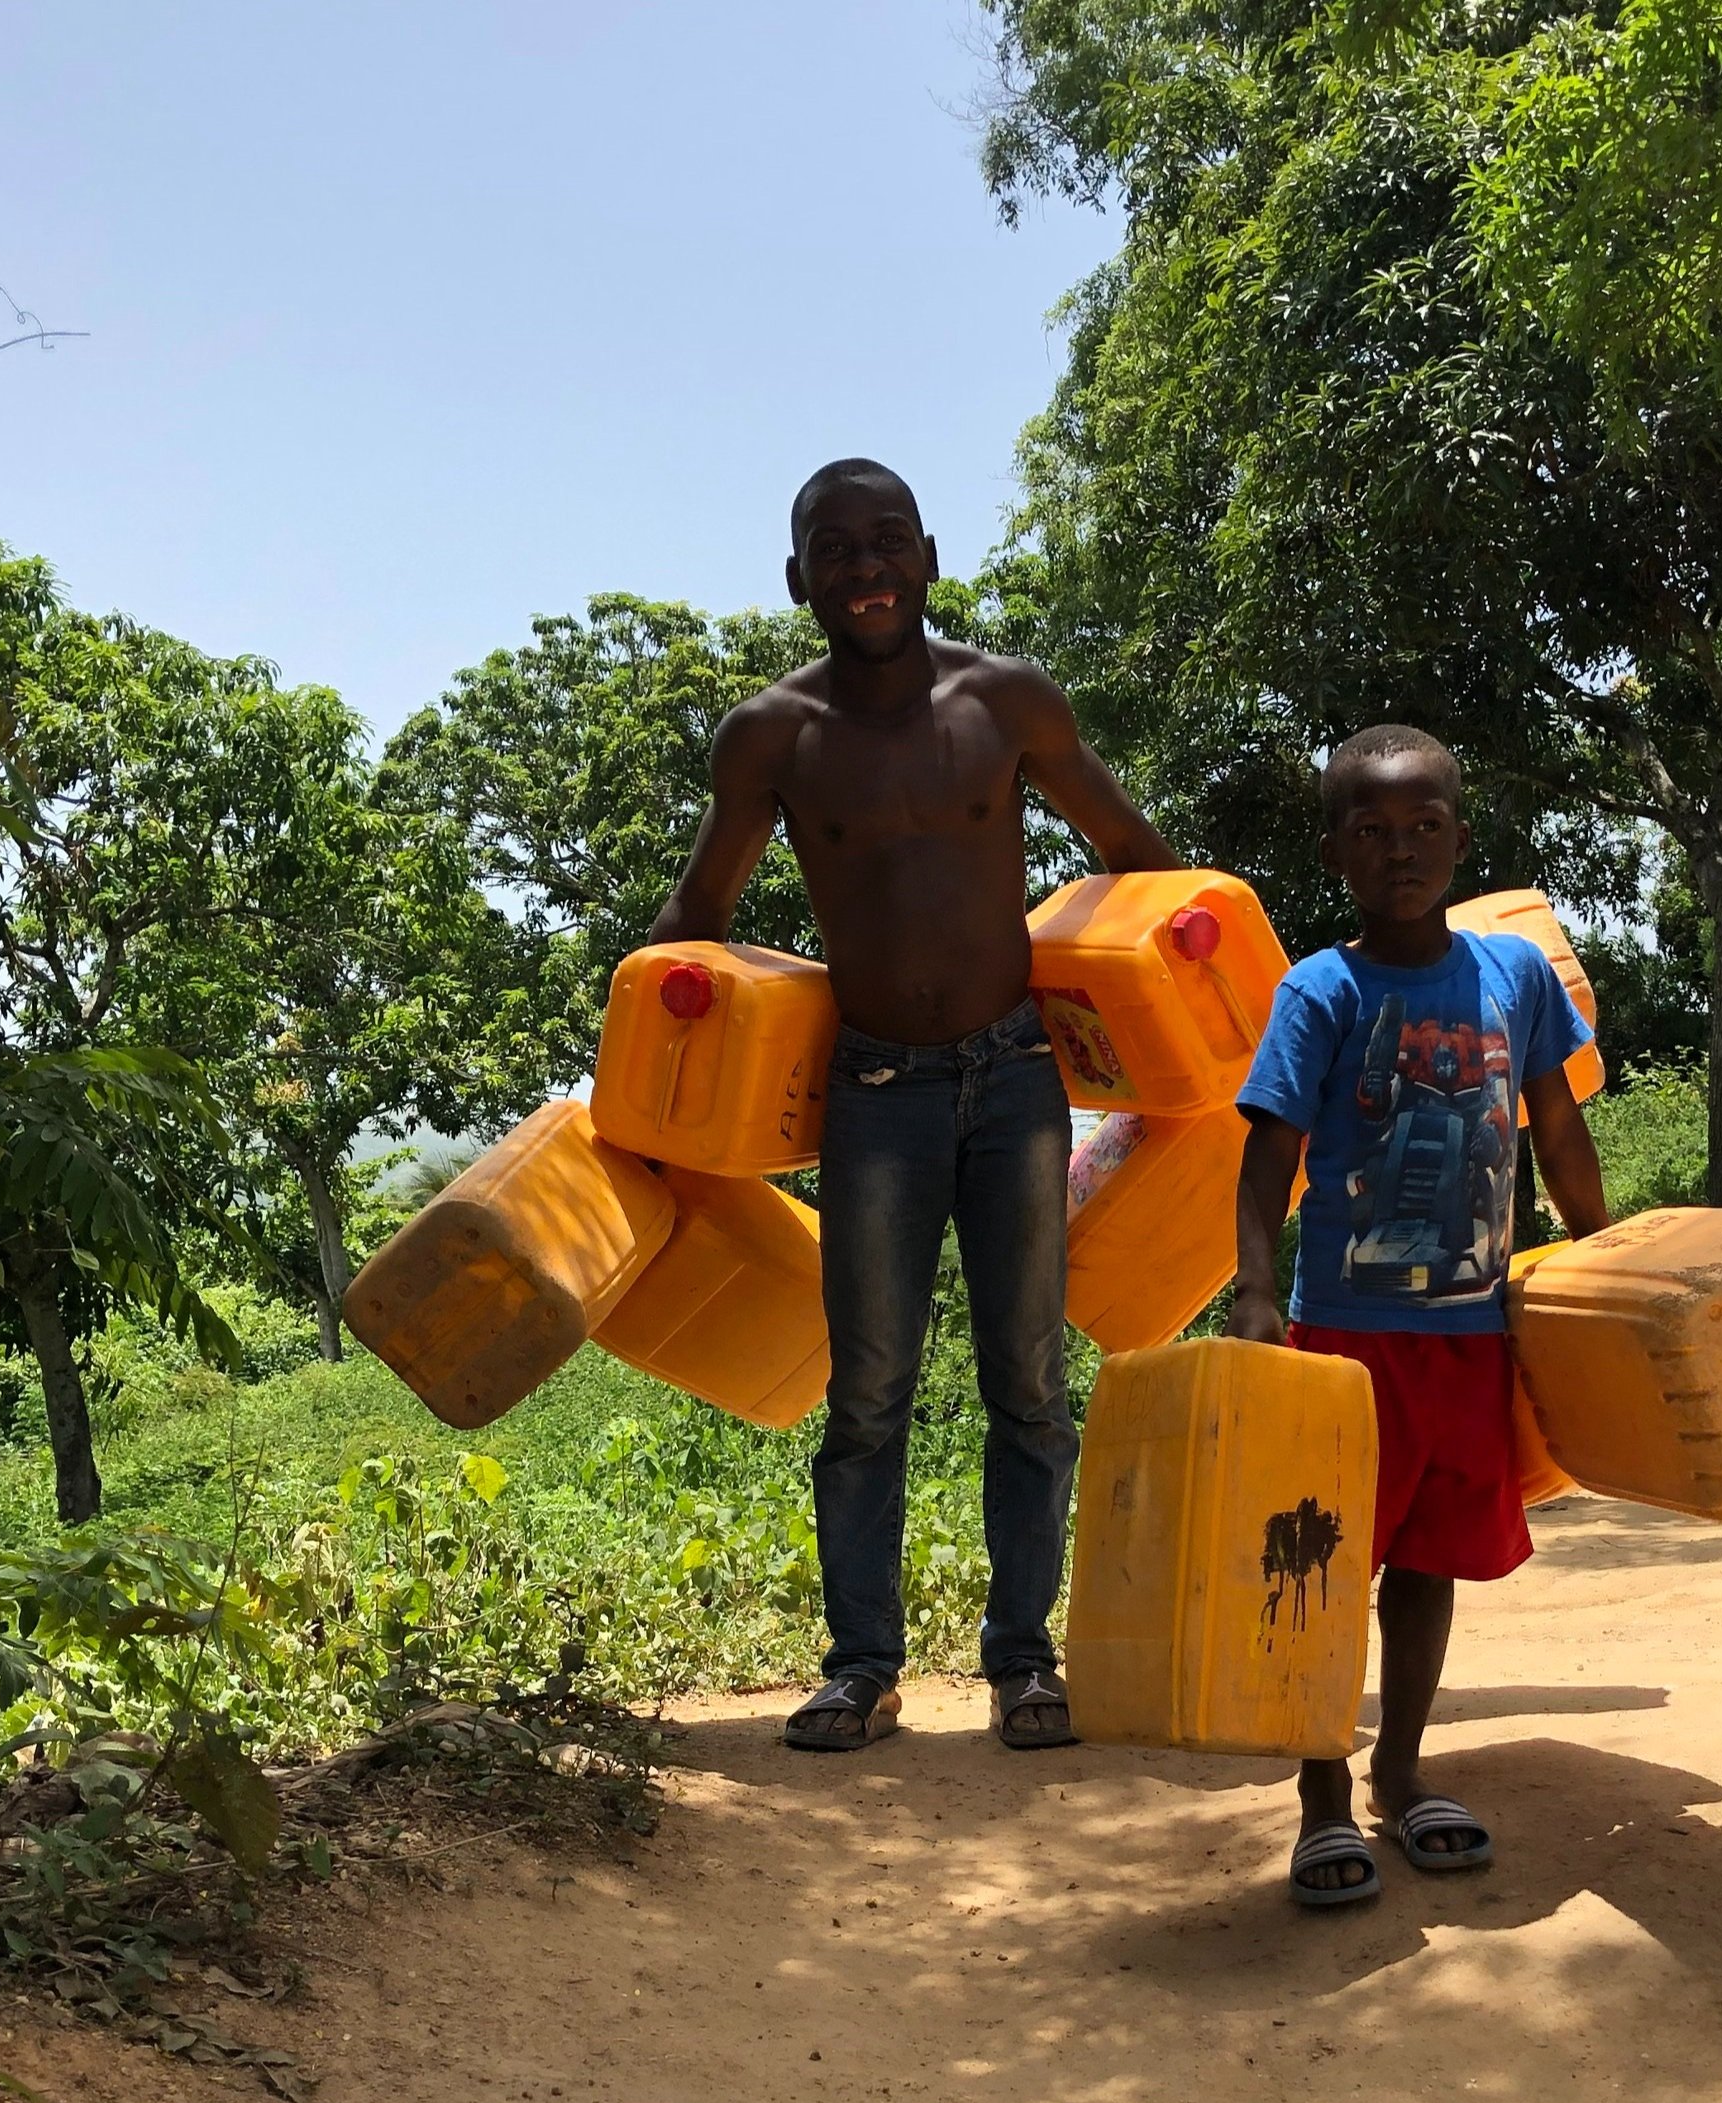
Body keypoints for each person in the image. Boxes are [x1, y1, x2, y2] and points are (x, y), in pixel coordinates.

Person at [650, 458, 1177, 1752]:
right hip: (872, 1095)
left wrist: (1199, 1045)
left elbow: (1141, 860)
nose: (867, 568)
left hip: (1016, 1084)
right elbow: (699, 923)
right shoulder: (771, 736)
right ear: (799, 580)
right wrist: (639, 1086)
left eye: (889, 543)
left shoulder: (1005, 703)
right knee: (869, 1395)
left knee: (1030, 1387)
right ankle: (863, 1667)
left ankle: (1023, 1664)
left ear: (930, 558)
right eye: (838, 550)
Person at [1227, 724, 1611, 1906]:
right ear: (1337, 847)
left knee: (1433, 1559)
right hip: (1347, 1334)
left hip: (1470, 1331)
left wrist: (1609, 1257)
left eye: (1425, 829)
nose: (1402, 851)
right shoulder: (1321, 990)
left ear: (1459, 835)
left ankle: (1400, 1769)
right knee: (1327, 1568)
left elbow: (1554, 1126)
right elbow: (1267, 1159)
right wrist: (1253, 1288)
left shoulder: (1515, 975)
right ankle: (1321, 1797)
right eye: (1375, 832)